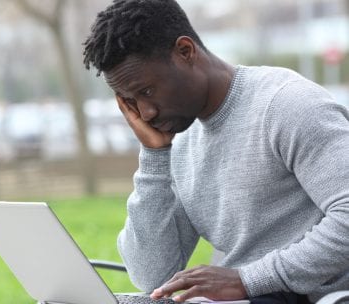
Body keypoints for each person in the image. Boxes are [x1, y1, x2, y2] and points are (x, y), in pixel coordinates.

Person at [82, 0, 349, 303]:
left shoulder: (287, 105)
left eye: (146, 91)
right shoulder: (179, 135)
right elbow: (151, 276)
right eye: (130, 101)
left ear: (186, 52)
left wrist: (248, 279)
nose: (145, 112)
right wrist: (154, 158)